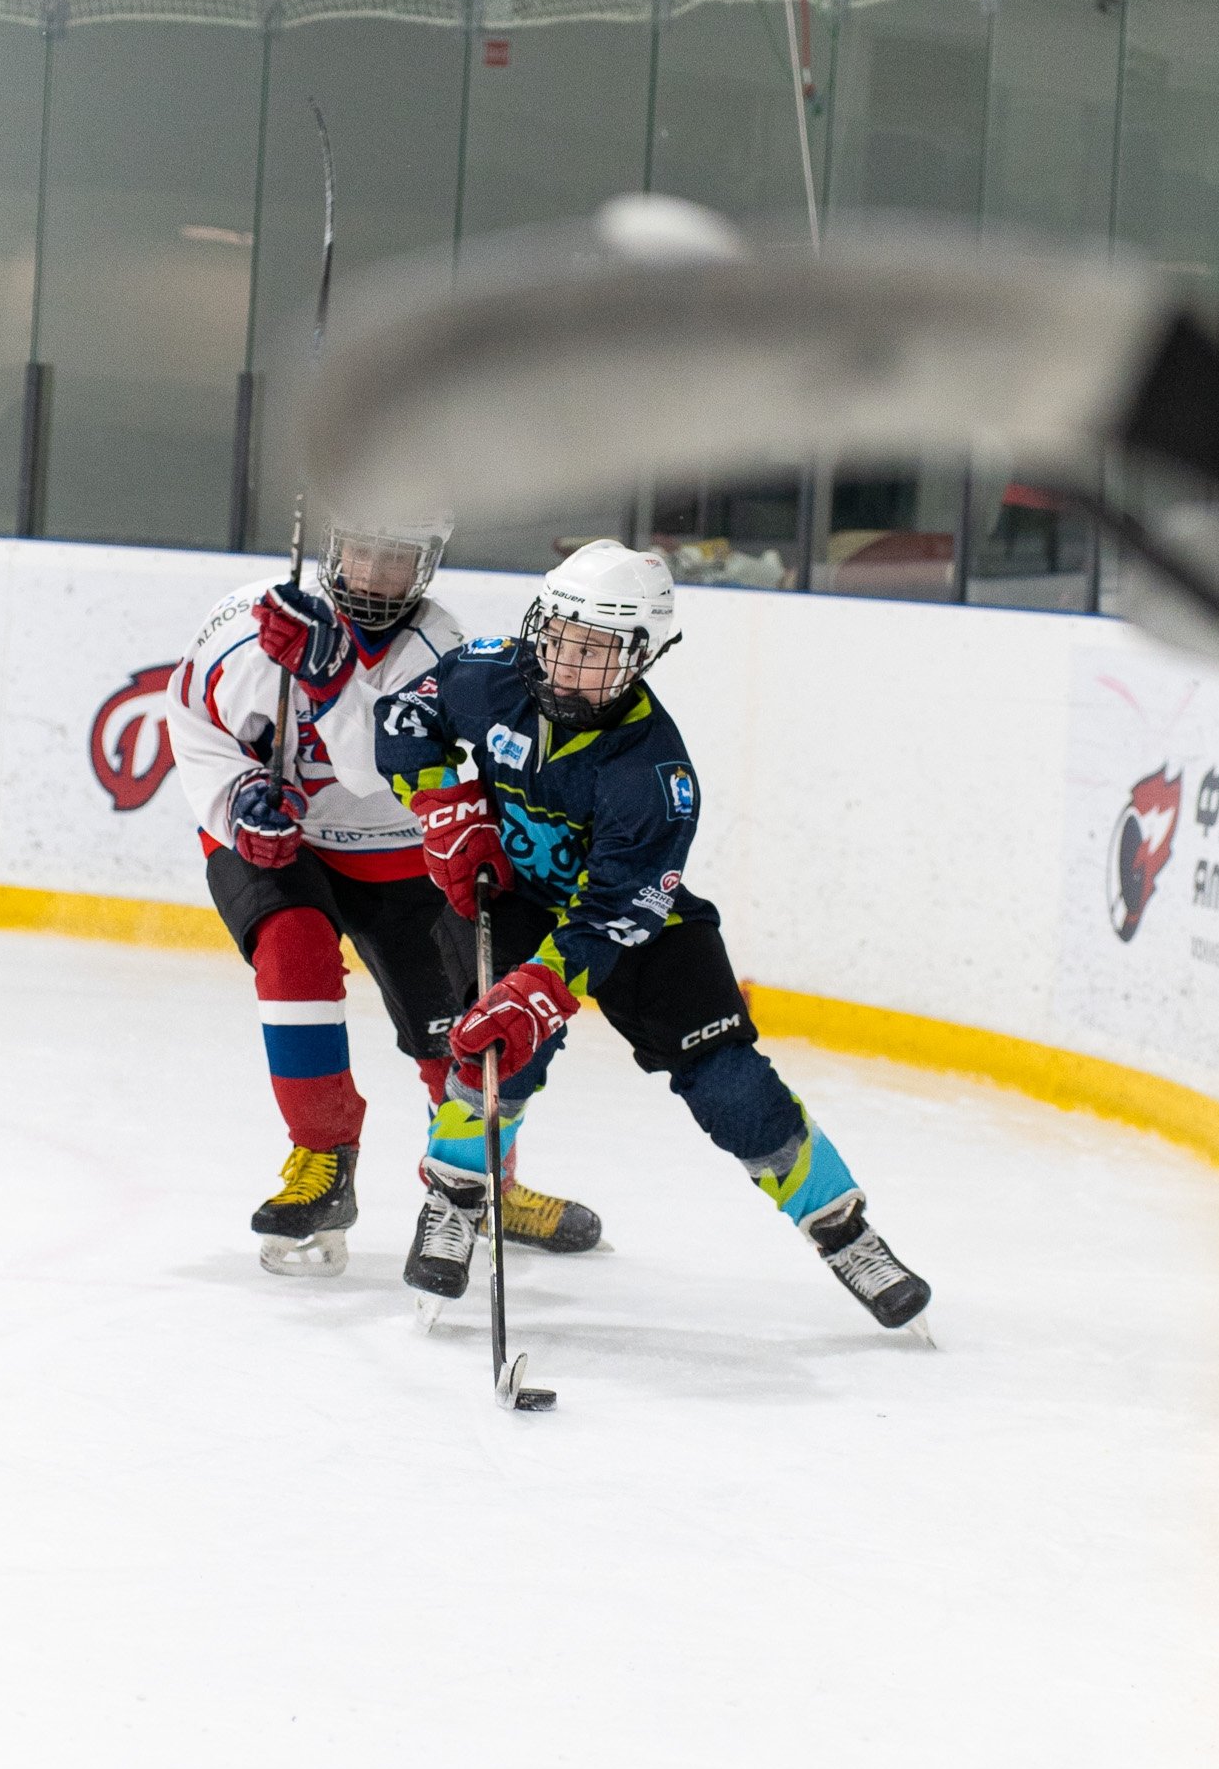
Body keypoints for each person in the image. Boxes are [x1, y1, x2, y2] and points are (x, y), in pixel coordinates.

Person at [374, 538, 930, 1328]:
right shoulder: (488, 673)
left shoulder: (655, 775)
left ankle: (844, 1233)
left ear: (642, 656)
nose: (570, 666)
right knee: (494, 1048)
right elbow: (403, 718)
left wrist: (541, 987)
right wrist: (444, 806)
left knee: (729, 1081)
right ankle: (456, 1199)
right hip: (518, 899)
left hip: (638, 925)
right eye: (562, 639)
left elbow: (616, 910)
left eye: (598, 652)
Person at [163, 516, 602, 1276]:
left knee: (453, 1032)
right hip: (282, 840)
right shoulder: (246, 625)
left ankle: (485, 1184)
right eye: (362, 551)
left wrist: (331, 679)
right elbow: (192, 714)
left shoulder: (439, 647)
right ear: (334, 546)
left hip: (396, 847)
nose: (373, 575)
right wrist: (237, 801)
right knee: (291, 950)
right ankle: (322, 1160)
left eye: (396, 559)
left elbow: (378, 771)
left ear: (426, 565)